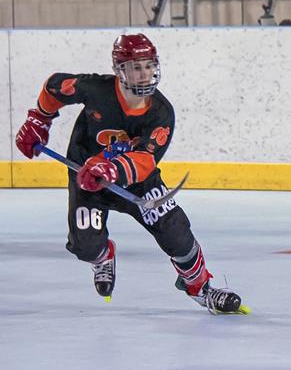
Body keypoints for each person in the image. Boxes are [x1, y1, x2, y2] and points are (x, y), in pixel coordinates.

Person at [14, 33, 247, 315]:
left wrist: (111, 168)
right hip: (87, 181)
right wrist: (39, 118)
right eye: (136, 67)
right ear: (120, 70)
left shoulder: (162, 112)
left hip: (137, 183)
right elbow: (55, 86)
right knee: (85, 246)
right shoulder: (96, 89)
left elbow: (146, 160)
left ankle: (200, 287)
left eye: (149, 66)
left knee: (176, 231)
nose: (144, 74)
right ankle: (103, 257)